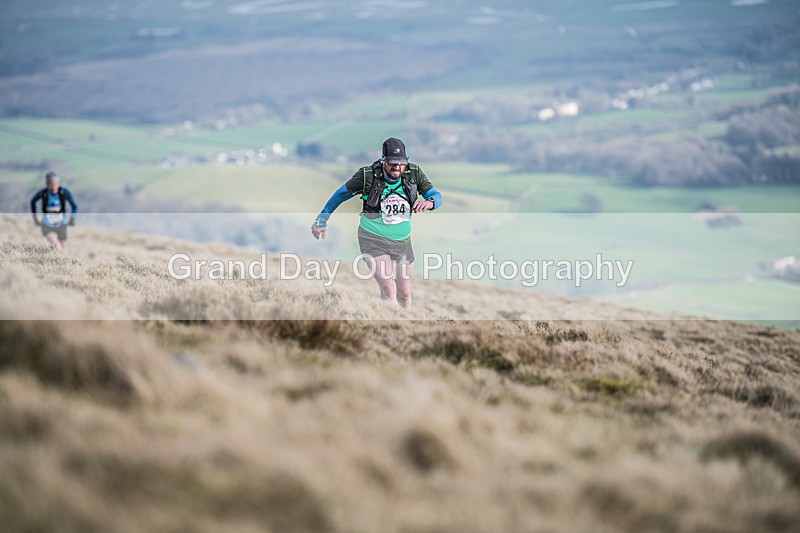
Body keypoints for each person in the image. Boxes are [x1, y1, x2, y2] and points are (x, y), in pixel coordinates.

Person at [311, 137, 442, 307]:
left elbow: (436, 196)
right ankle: (389, 325)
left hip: (403, 242)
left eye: (401, 163)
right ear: (383, 160)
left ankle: (405, 326)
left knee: (405, 294)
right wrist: (321, 220)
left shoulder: (414, 173)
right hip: (372, 240)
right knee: (388, 288)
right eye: (392, 162)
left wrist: (429, 203)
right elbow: (340, 195)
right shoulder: (367, 176)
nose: (397, 167)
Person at [30, 172, 78, 252]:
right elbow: (33, 202)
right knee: (54, 242)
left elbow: (74, 206)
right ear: (47, 184)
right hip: (47, 224)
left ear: (58, 184)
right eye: (50, 186)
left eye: (55, 185)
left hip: (61, 223)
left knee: (62, 245)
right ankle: (59, 258)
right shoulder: (43, 193)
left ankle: (61, 261)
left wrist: (73, 218)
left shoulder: (64, 192)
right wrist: (35, 218)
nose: (53, 188)